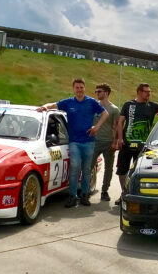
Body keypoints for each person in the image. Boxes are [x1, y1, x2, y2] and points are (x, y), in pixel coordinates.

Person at [39, 78, 108, 208]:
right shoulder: (68, 102)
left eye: (81, 87)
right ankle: (72, 196)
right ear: (73, 89)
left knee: (87, 170)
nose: (79, 90)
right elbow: (54, 105)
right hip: (74, 141)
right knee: (75, 167)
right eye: (77, 88)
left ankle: (84, 195)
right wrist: (45, 106)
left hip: (89, 141)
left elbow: (105, 114)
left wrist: (97, 127)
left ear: (84, 88)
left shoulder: (91, 102)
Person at [113, 83, 158, 205]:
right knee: (122, 171)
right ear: (139, 92)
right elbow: (120, 122)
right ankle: (124, 193)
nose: (149, 94)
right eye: (146, 92)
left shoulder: (152, 105)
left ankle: (136, 195)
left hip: (143, 146)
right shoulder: (129, 105)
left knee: (139, 172)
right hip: (126, 143)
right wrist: (119, 139)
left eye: (149, 92)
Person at [90, 83, 120, 202]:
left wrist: (115, 142)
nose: (97, 93)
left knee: (108, 168)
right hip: (94, 141)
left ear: (106, 93)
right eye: (96, 91)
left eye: (99, 91)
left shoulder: (114, 109)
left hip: (108, 142)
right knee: (89, 166)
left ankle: (104, 191)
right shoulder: (93, 106)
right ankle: (86, 190)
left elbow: (117, 126)